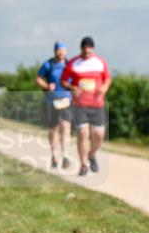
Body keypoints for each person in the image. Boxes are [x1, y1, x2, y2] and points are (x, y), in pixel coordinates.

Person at [61, 36, 112, 176]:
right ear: (81, 48)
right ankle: (83, 165)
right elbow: (63, 81)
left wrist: (105, 87)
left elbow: (107, 79)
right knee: (83, 132)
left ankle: (92, 154)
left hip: (97, 103)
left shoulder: (100, 62)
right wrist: (72, 87)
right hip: (80, 104)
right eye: (84, 49)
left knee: (99, 134)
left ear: (93, 49)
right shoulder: (73, 63)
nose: (87, 52)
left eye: (89, 49)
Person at [35, 41, 74, 169]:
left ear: (66, 51)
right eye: (58, 50)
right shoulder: (48, 65)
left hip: (66, 100)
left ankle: (66, 156)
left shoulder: (70, 65)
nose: (61, 52)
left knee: (65, 127)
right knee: (53, 129)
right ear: (55, 51)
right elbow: (38, 79)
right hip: (51, 101)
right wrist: (46, 86)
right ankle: (54, 156)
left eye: (63, 50)